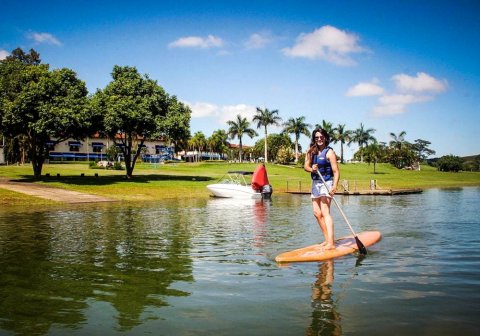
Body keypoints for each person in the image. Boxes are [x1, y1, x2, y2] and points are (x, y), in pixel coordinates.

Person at [304, 128, 340, 250]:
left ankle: (331, 243)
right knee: (317, 213)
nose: (319, 139)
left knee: (325, 212)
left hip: (327, 183)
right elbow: (306, 167)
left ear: (325, 138)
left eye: (321, 137)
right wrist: (312, 169)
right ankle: (327, 239)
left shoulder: (329, 152)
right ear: (314, 139)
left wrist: (334, 186)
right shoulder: (311, 151)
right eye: (317, 137)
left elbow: (336, 171)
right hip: (316, 183)